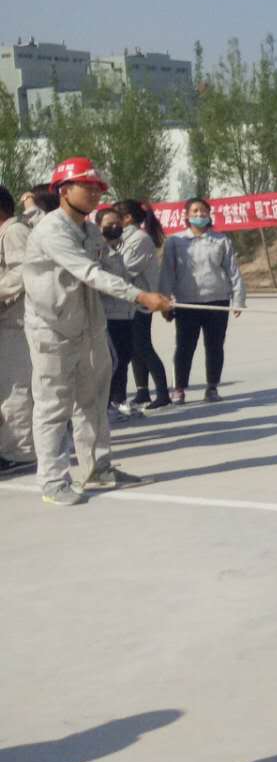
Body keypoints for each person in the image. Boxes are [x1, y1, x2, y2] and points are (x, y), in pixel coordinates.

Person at [23, 158, 172, 505]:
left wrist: (151, 294)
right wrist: (140, 296)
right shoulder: (51, 231)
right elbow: (89, 273)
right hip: (52, 329)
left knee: (93, 400)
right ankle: (53, 479)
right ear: (64, 190)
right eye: (87, 187)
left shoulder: (91, 232)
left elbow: (113, 271)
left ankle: (97, 467)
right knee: (53, 405)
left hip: (90, 325)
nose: (94, 193)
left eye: (98, 188)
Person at [158, 197, 246, 404]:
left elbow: (233, 271)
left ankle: (212, 387)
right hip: (187, 302)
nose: (199, 214)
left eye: (203, 211)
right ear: (187, 215)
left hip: (217, 300)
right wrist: (164, 300)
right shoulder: (175, 241)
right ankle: (179, 388)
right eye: (195, 211)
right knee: (184, 347)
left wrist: (238, 299)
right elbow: (167, 273)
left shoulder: (221, 240)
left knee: (215, 346)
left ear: (209, 214)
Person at [116, 200, 170, 410]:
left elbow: (126, 268)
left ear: (128, 218)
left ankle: (163, 394)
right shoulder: (125, 238)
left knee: (143, 346)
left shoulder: (139, 239)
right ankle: (142, 392)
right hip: (129, 301)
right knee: (134, 349)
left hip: (141, 300)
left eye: (115, 217)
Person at [0, 186, 35, 474]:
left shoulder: (14, 232)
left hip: (17, 322)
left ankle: (20, 452)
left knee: (16, 388)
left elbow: (24, 271)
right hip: (8, 321)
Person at [95, 207, 142, 421]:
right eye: (109, 223)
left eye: (118, 223)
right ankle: (105, 406)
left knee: (124, 357)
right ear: (99, 226)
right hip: (108, 315)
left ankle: (118, 401)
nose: (115, 226)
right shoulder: (99, 251)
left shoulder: (117, 249)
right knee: (112, 362)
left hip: (125, 313)